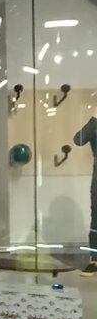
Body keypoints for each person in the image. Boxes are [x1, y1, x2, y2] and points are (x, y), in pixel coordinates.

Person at [73, 116, 97, 275]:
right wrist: (94, 121)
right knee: (96, 218)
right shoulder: (95, 124)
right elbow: (79, 140)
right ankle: (95, 259)